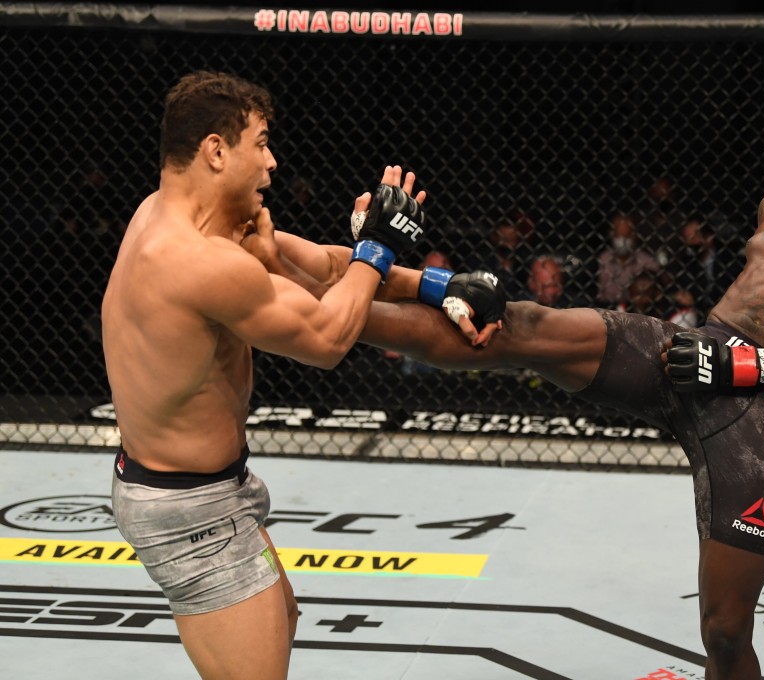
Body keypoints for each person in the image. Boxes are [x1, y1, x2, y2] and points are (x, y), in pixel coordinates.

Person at [306, 63, 764, 680]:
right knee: (515, 326)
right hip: (694, 354)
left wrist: (749, 363)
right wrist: (720, 353)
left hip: (760, 405)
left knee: (723, 629)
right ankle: (338, 296)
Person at [101, 70, 499, 680]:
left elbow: (314, 262)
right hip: (192, 510)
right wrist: (378, 248)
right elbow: (327, 338)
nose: (272, 162)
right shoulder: (193, 261)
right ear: (215, 150)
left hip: (199, 488)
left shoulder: (175, 216)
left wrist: (436, 284)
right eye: (259, 144)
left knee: (280, 619)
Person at [596, 211, 661, 306]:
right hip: (608, 308)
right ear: (611, 234)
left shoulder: (647, 262)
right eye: (618, 236)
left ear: (634, 235)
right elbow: (600, 295)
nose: (622, 241)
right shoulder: (604, 259)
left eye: (626, 236)